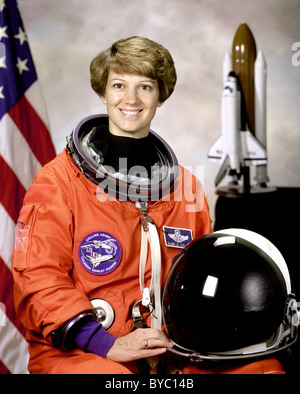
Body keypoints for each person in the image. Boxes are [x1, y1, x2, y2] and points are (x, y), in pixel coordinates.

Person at [11, 36, 212, 374]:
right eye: (119, 85)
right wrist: (109, 344)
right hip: (81, 354)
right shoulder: (58, 182)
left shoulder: (186, 188)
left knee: (262, 368)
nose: (130, 99)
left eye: (145, 87)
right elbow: (37, 277)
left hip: (168, 351)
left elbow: (204, 275)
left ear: (160, 96)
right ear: (103, 93)